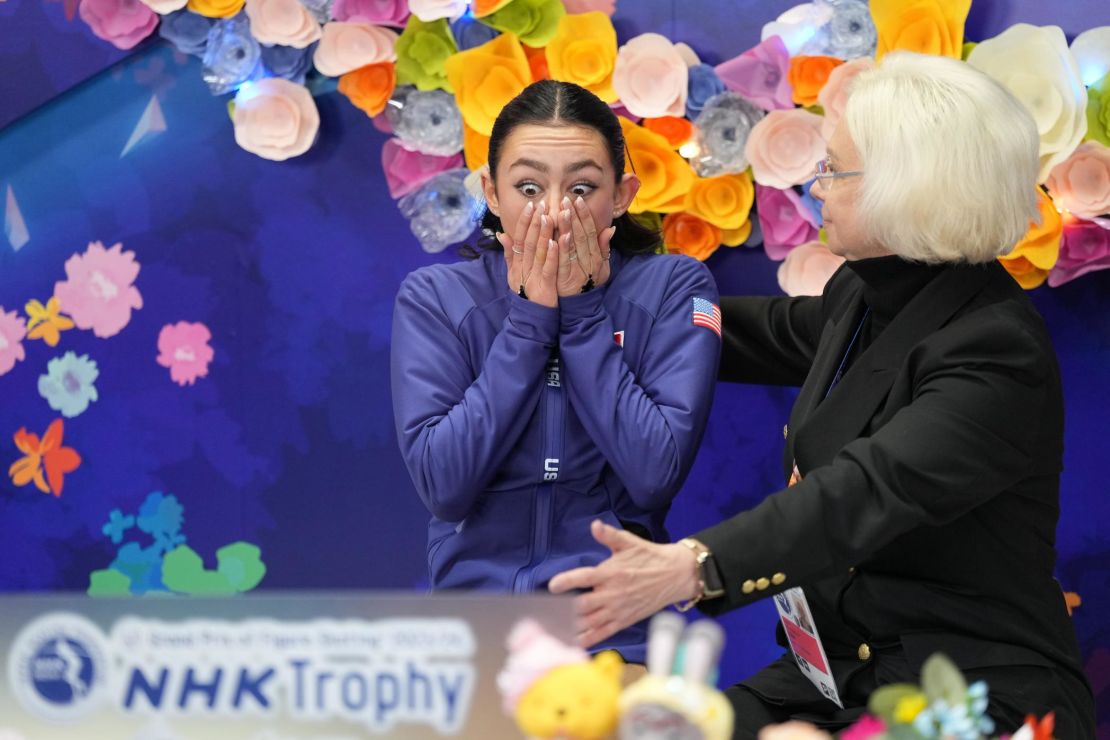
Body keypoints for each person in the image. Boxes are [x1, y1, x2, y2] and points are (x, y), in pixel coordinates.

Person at [549, 52, 1097, 736]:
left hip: (962, 694)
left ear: (913, 188)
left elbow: (861, 492)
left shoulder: (994, 351)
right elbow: (745, 332)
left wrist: (694, 567)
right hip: (829, 676)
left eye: (835, 169)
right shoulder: (865, 292)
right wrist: (606, 301)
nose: (816, 185)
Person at [391, 80, 722, 664]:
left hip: (615, 637)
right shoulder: (436, 296)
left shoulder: (674, 287)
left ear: (622, 195)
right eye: (527, 186)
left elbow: (654, 474)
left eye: (582, 188)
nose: (553, 212)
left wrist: (584, 315)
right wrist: (527, 323)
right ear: (491, 193)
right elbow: (444, 485)